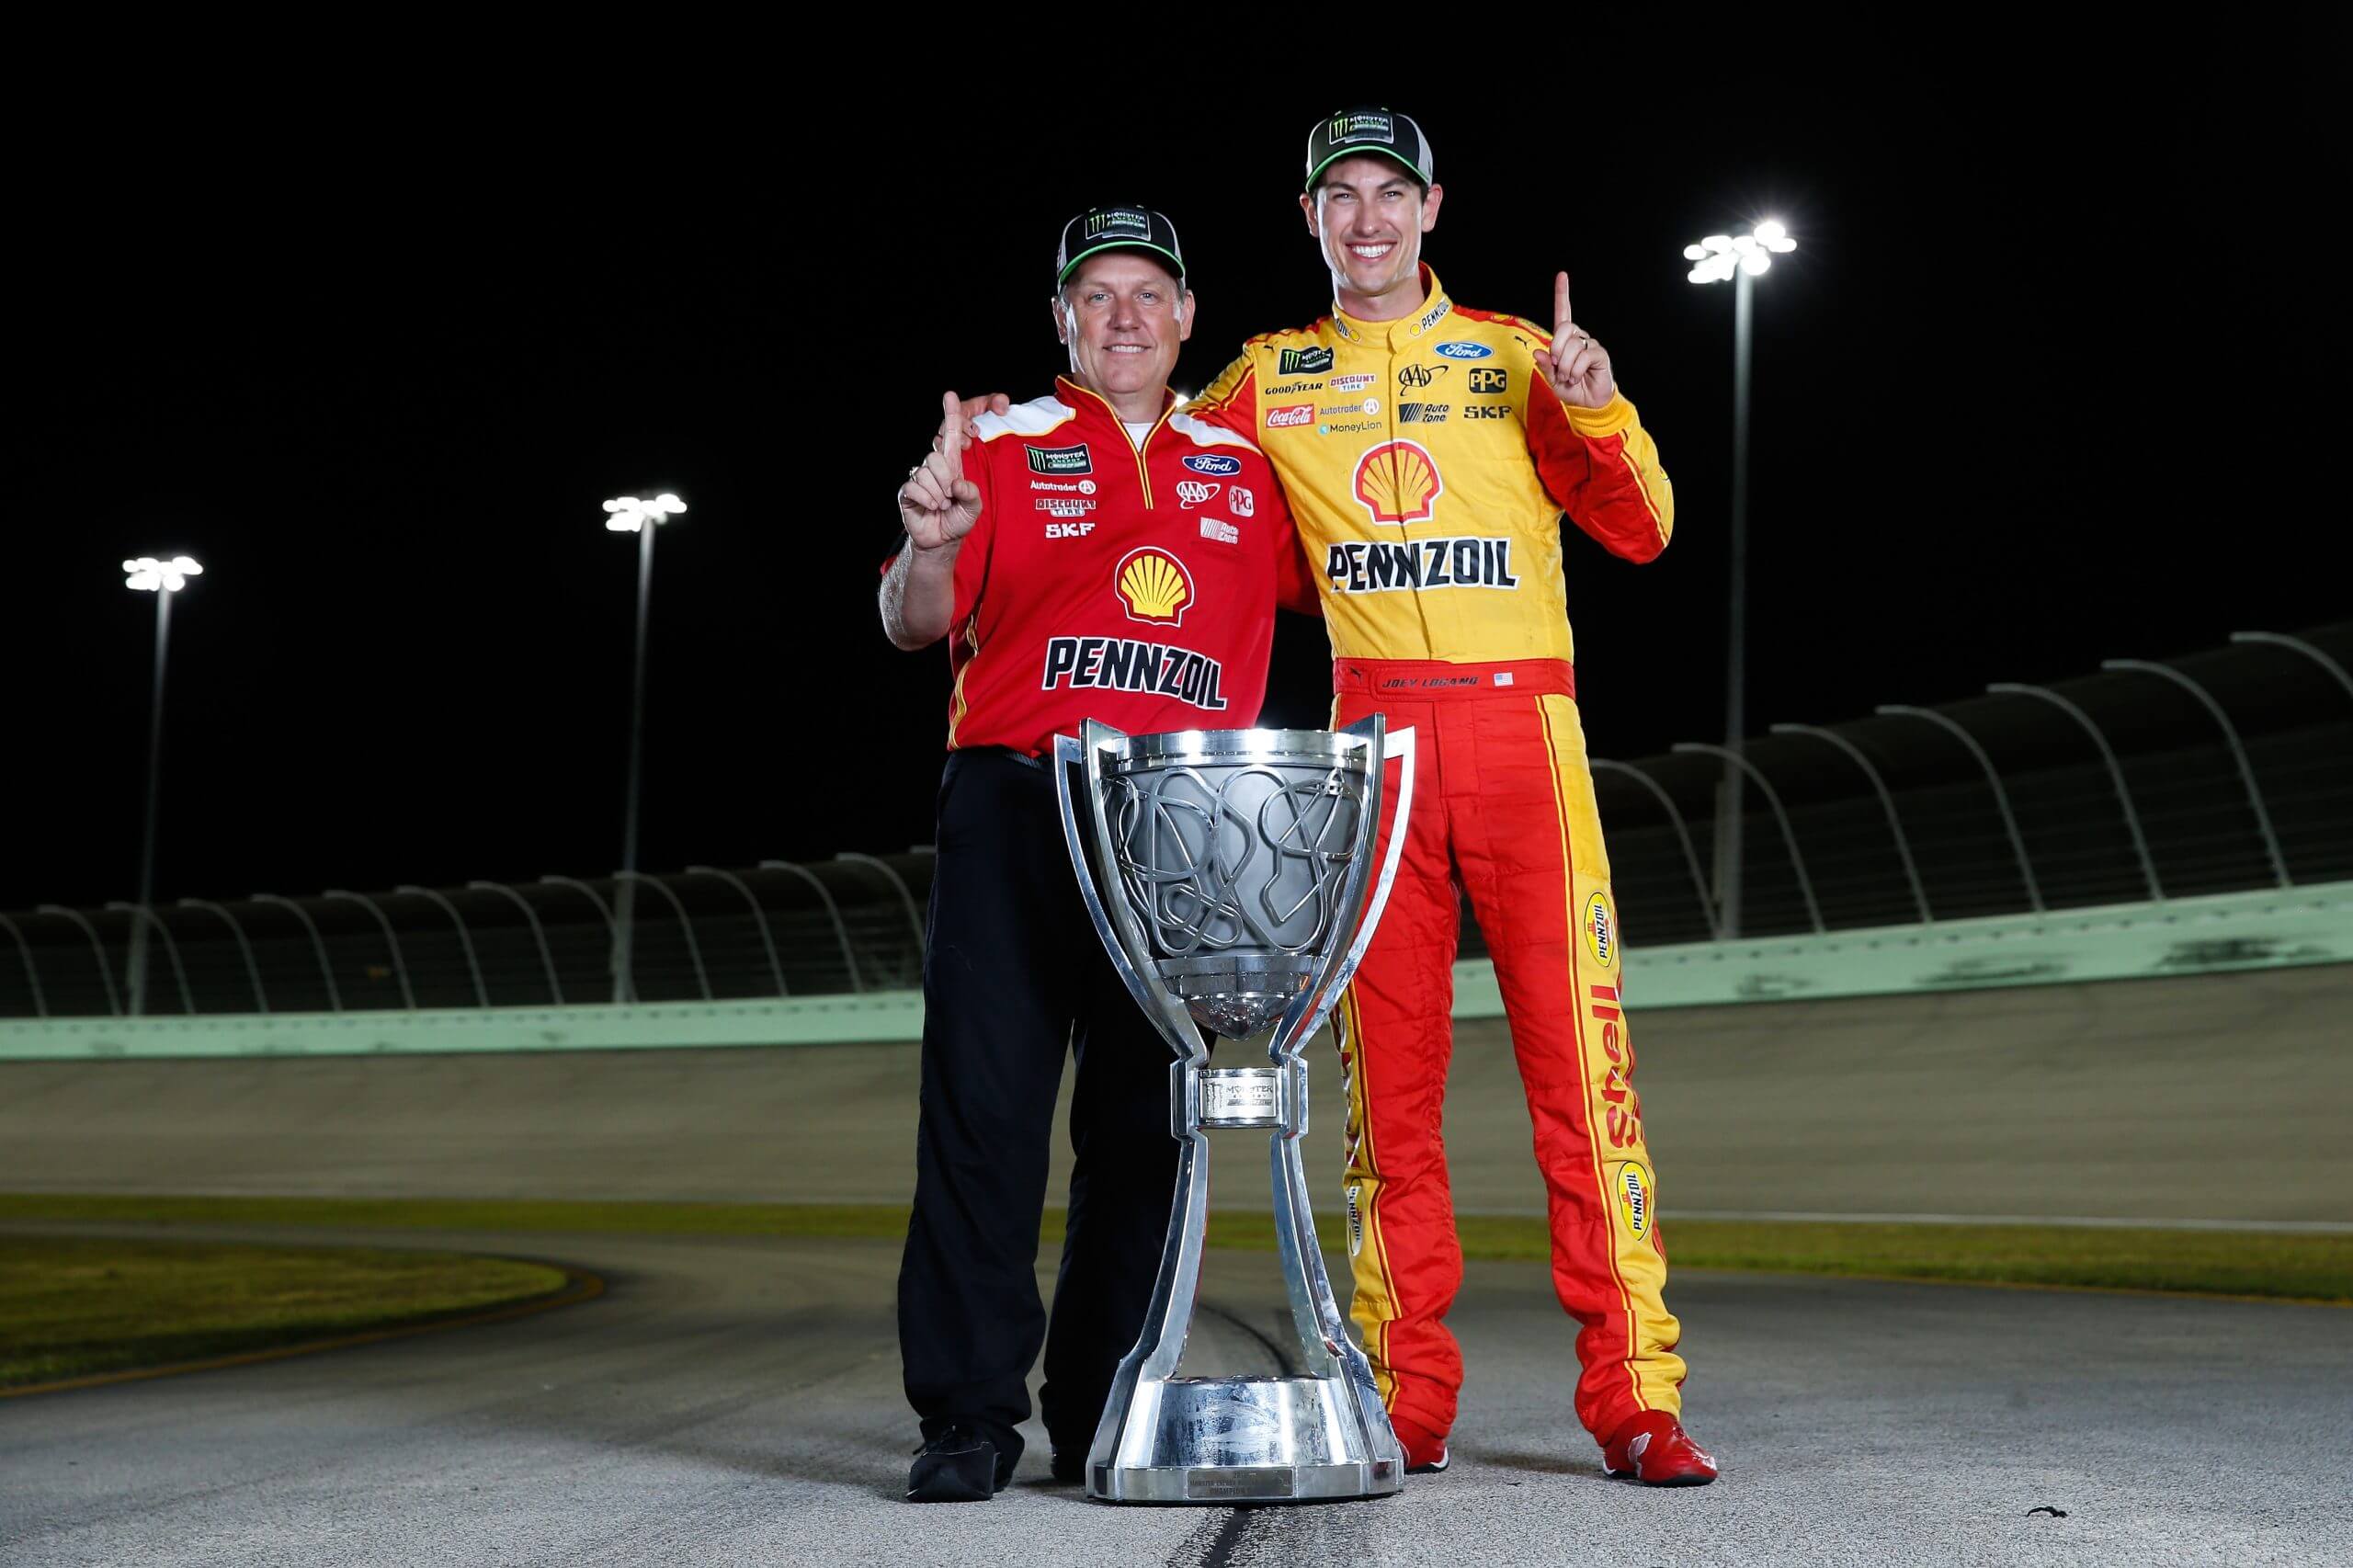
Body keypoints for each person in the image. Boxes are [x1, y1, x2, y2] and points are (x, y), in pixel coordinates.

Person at [1182, 108, 1719, 1486]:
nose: (1366, 218)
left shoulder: (1523, 354)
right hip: (1372, 755)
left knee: (1583, 1079)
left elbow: (1645, 526)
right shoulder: (1265, 376)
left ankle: (1636, 1394)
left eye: (1390, 194)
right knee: (1385, 1098)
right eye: (1339, 197)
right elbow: (1180, 503)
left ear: (1432, 208)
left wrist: (1595, 403)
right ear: (1308, 216)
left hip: (1524, 736)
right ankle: (1399, 1384)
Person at [882, 204, 1313, 1502]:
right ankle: (965, 1414)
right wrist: (932, 540)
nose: (1123, 316)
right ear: (1062, 318)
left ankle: (1103, 1404)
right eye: (1097, 295)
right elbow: (909, 621)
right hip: (1015, 801)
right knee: (986, 1115)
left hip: (1174, 827)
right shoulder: (1001, 442)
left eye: (1148, 293)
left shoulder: (1247, 464)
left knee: (1144, 1131)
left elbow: (1365, 589)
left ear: (1187, 318)